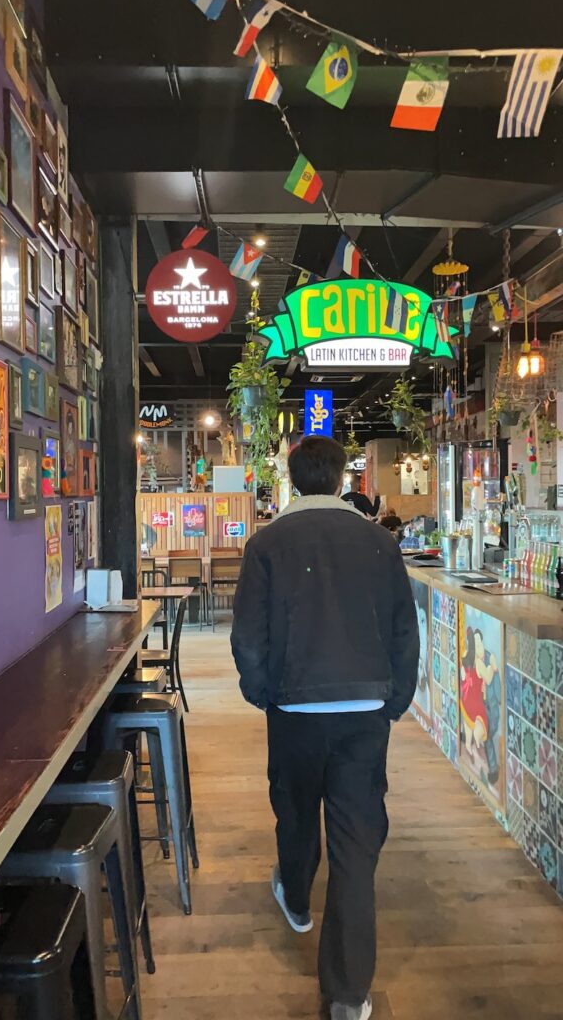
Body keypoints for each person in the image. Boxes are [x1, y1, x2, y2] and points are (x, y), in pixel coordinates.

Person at [231, 436, 419, 1020]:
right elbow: (403, 633)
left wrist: (263, 694)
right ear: (341, 479)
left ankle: (295, 896)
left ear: (291, 481)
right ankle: (347, 993)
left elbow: (248, 636)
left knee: (292, 806)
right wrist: (394, 701)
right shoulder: (381, 543)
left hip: (294, 708)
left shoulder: (266, 544)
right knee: (356, 847)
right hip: (364, 712)